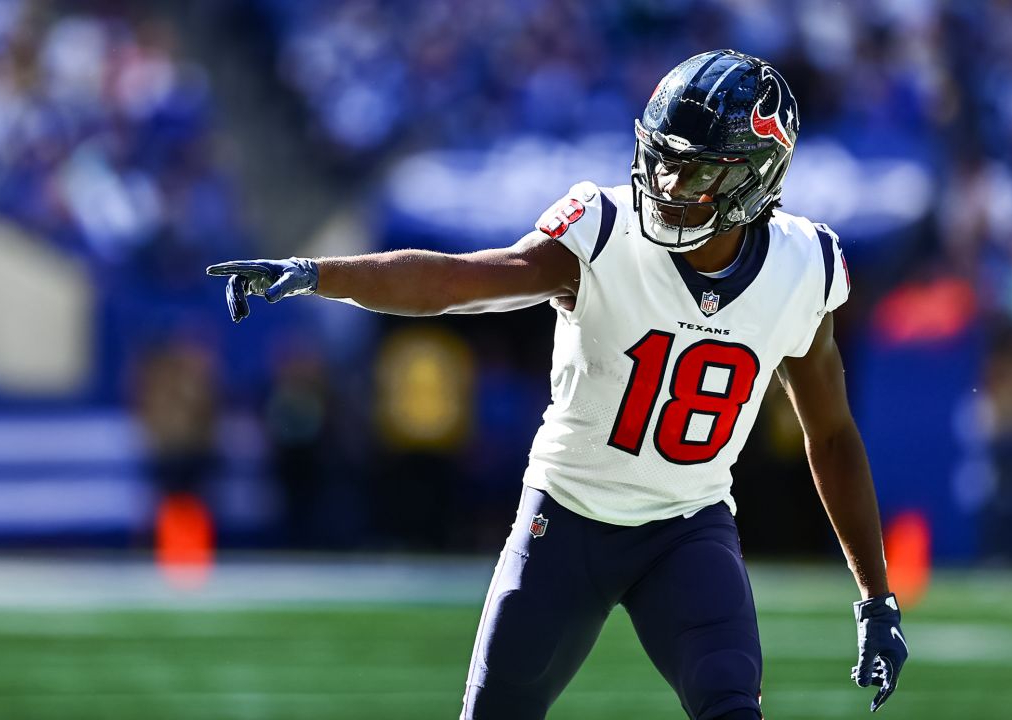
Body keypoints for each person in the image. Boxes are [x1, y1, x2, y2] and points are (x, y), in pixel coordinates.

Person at [208, 50, 908, 720]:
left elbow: (832, 433)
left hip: (688, 526)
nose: (665, 187)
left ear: (754, 178)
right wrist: (320, 274)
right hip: (567, 519)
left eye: (692, 174)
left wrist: (876, 598)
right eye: (661, 161)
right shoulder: (604, 230)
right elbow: (460, 282)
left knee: (731, 704)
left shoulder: (804, 267)